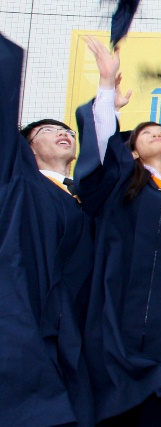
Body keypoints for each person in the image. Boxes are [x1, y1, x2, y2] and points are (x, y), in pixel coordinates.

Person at [75, 36, 161, 426]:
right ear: (131, 150)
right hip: (117, 316)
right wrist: (104, 86)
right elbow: (97, 153)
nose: (157, 134)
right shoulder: (118, 182)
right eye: (146, 133)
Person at [0, 33, 95, 427]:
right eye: (49, 130)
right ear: (27, 146)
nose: (65, 133)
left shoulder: (84, 200)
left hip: (70, 334)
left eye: (69, 130)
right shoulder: (20, 181)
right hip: (24, 318)